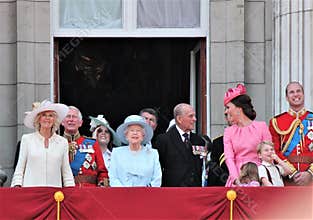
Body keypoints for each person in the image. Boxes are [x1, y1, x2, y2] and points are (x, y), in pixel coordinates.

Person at [11, 100, 74, 187]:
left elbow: (66, 171)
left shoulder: (62, 142)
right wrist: (17, 185)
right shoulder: (27, 139)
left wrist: (71, 189)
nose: (47, 118)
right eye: (44, 115)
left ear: (54, 120)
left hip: (54, 194)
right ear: (39, 119)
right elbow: (20, 168)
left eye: (50, 115)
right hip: (31, 192)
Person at [223, 84, 272, 186]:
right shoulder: (229, 131)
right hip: (237, 177)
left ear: (238, 108)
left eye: (228, 107)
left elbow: (269, 154)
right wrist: (237, 180)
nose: (226, 111)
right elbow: (229, 158)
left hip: (260, 176)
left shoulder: (261, 127)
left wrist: (263, 178)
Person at [269, 81, 313, 186]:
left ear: (303, 94)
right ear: (287, 97)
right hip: (287, 178)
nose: (296, 94)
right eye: (291, 92)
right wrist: (292, 172)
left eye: (298, 91)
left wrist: (310, 173)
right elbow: (274, 151)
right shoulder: (276, 122)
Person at [154, 103, 208, 187]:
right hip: (173, 192)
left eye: (194, 116)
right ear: (179, 119)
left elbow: (201, 166)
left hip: (195, 190)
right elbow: (158, 168)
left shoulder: (199, 140)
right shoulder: (164, 140)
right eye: (191, 116)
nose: (195, 119)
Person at [62, 106, 109, 187]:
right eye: (68, 116)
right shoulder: (57, 143)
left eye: (74, 117)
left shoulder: (92, 143)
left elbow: (102, 172)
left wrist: (102, 186)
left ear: (80, 123)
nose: (71, 119)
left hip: (89, 192)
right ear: (62, 122)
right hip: (64, 192)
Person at [109, 115, 162, 187]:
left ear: (143, 136)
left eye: (138, 130)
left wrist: (145, 191)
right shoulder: (116, 153)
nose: (135, 133)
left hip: (147, 195)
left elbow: (157, 179)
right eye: (132, 130)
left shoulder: (153, 154)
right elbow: (113, 178)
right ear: (126, 135)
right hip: (122, 195)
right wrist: (124, 192)